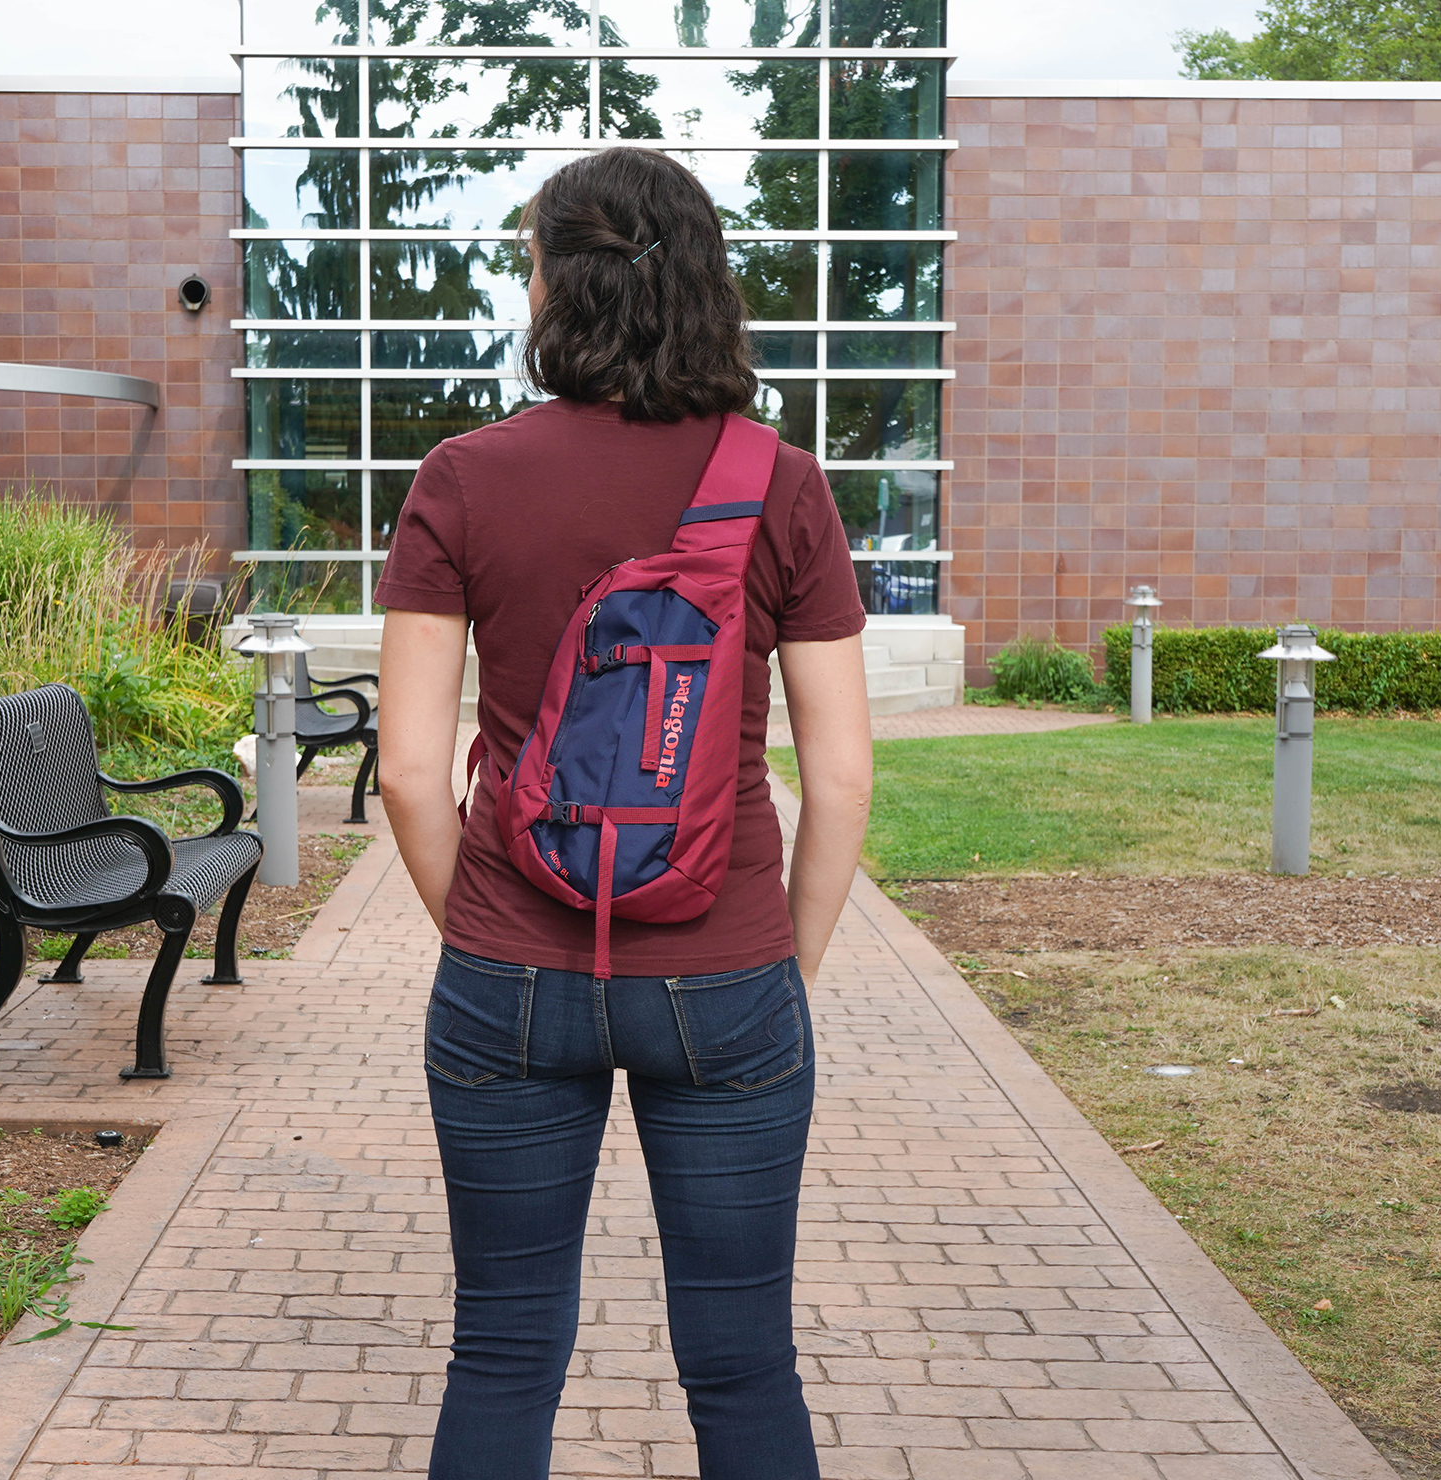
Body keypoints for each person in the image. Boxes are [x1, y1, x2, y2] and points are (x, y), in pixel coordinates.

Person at [373, 146, 873, 1480]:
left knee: (501, 1353)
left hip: (508, 976)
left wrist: (482, 928)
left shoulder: (463, 478)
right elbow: (843, 778)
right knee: (743, 1365)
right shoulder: (782, 481)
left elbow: (411, 774)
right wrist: (782, 962)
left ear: (554, 288)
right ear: (707, 286)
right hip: (726, 974)